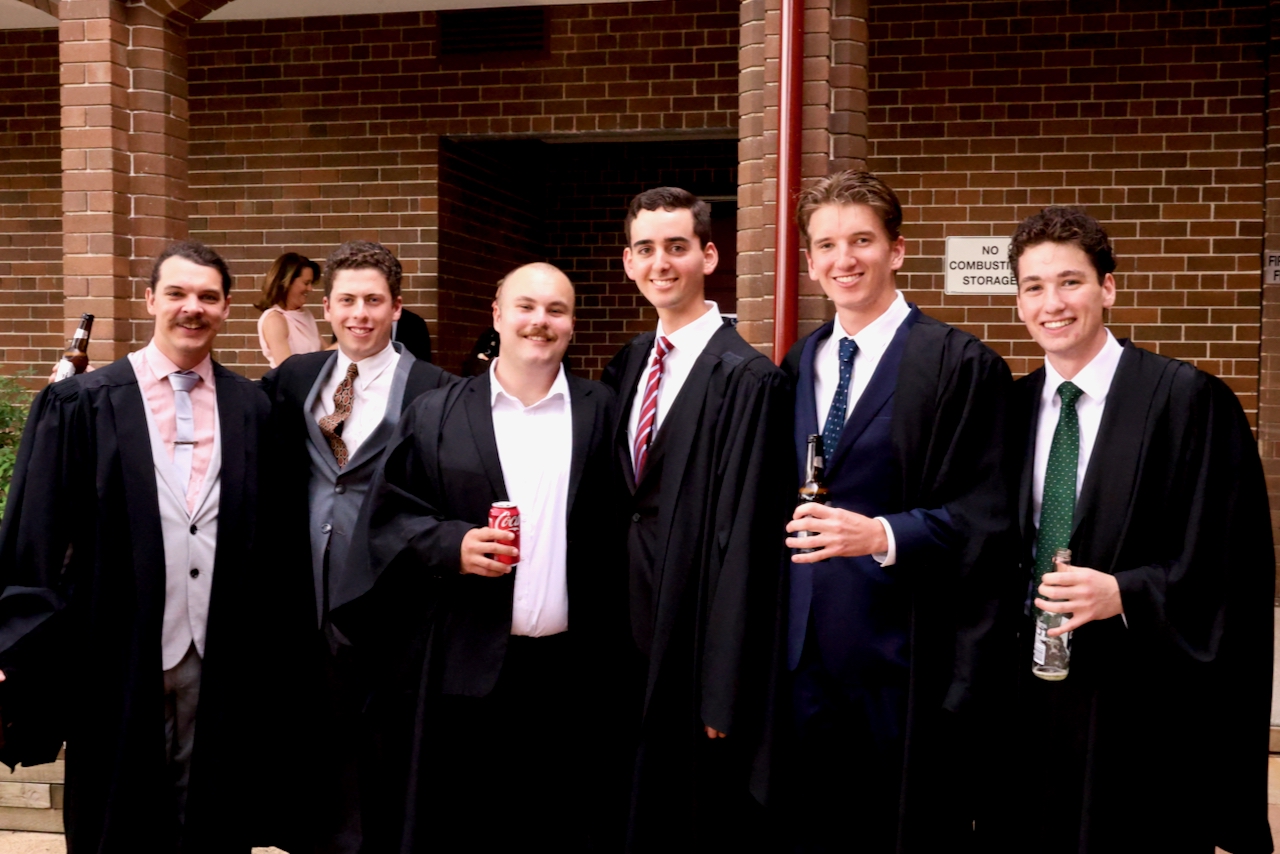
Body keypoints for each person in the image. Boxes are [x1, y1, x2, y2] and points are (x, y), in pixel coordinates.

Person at [990, 207, 1273, 853]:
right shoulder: (1007, 410)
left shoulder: (1187, 402)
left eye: (1071, 282)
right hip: (1026, 701)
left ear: (1108, 288)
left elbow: (1232, 564)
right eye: (1035, 287)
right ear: (1019, 302)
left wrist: (1126, 593)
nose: (1053, 303)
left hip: (1139, 707)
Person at [0, 241, 272, 852]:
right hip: (113, 647)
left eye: (207, 296)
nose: (192, 308)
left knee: (212, 813)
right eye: (176, 293)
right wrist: (13, 641)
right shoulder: (83, 402)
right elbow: (36, 531)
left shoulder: (251, 407)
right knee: (116, 814)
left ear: (226, 308)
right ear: (150, 300)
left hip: (219, 649)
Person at [780, 171, 1012, 852]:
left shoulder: (958, 364)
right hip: (803, 659)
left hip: (904, 658)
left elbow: (987, 517)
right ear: (810, 261)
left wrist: (881, 533)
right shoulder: (800, 363)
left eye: (861, 240)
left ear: (897, 250)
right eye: (827, 245)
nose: (844, 259)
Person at [357, 262, 622, 853]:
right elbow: (386, 519)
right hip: (464, 674)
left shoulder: (602, 411)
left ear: (572, 324)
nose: (540, 321)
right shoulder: (438, 412)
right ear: (497, 315)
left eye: (556, 310)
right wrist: (451, 544)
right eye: (525, 306)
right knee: (464, 833)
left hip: (571, 676)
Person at [602, 187, 790, 851]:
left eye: (677, 247)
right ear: (629, 262)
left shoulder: (748, 380)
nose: (662, 263)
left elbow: (749, 544)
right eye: (646, 249)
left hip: (694, 643)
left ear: (708, 256)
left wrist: (724, 685)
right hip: (624, 639)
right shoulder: (628, 364)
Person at [258, 240, 454, 854]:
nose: (359, 314)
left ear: (397, 307)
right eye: (346, 300)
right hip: (303, 598)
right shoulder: (293, 378)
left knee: (382, 760)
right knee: (309, 753)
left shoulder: (437, 390)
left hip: (390, 602)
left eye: (373, 301)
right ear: (327, 306)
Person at [256, 251, 323, 367]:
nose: (310, 289)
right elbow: (288, 369)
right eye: (306, 283)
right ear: (287, 282)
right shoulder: (274, 320)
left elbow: (325, 352)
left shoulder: (305, 314)